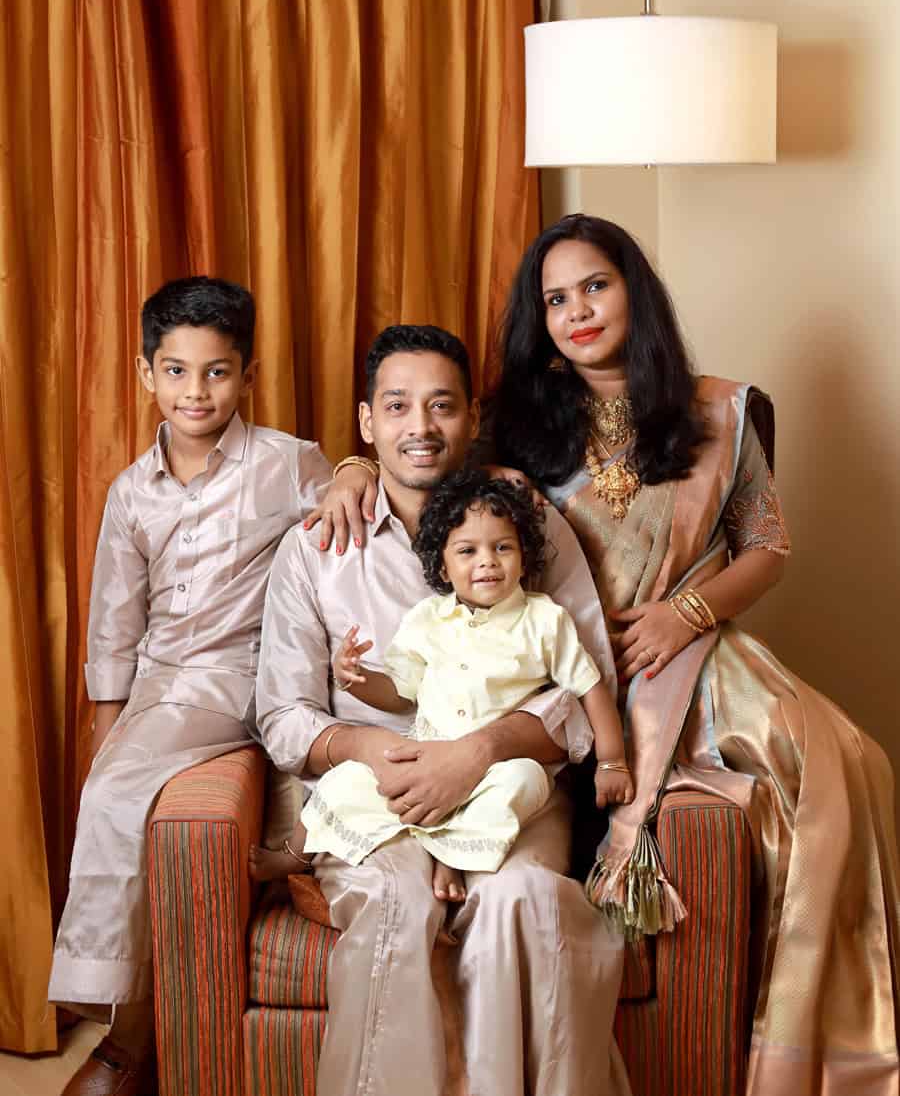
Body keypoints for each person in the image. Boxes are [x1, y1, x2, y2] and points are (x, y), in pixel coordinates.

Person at [321, 215, 900, 1096]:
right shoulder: (515, 425)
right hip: (571, 676)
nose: (578, 311)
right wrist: (346, 473)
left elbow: (768, 547)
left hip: (696, 656)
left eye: (595, 286)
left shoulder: (719, 409)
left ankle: (824, 1044)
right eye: (556, 300)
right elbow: (422, 470)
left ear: (635, 287)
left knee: (848, 766)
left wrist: (686, 612)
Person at [255, 324, 631, 1096]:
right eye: (397, 407)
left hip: (512, 790)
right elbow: (283, 713)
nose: (420, 428)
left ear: (470, 416)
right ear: (367, 423)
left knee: (523, 904)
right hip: (378, 787)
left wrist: (482, 751)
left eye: (441, 406)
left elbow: (585, 677)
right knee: (395, 906)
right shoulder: (320, 545)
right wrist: (365, 747)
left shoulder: (524, 519)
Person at [48, 277, 332, 1096]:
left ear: (246, 375)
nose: (195, 391)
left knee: (115, 797)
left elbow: (359, 520)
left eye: (215, 372)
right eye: (176, 372)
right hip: (160, 684)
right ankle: (134, 1031)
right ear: (146, 375)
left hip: (246, 670)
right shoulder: (131, 492)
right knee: (111, 790)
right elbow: (113, 622)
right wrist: (110, 729)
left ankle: (120, 1041)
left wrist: (349, 471)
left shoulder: (287, 462)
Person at [252, 468, 632, 902]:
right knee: (345, 781)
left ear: (524, 557)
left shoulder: (545, 620)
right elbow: (399, 692)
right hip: (425, 755)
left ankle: (451, 857)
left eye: (503, 548)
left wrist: (612, 762)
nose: (487, 561)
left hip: (495, 768)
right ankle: (294, 853)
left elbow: (590, 689)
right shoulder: (429, 619)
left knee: (523, 784)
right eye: (468, 551)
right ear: (444, 568)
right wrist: (354, 679)